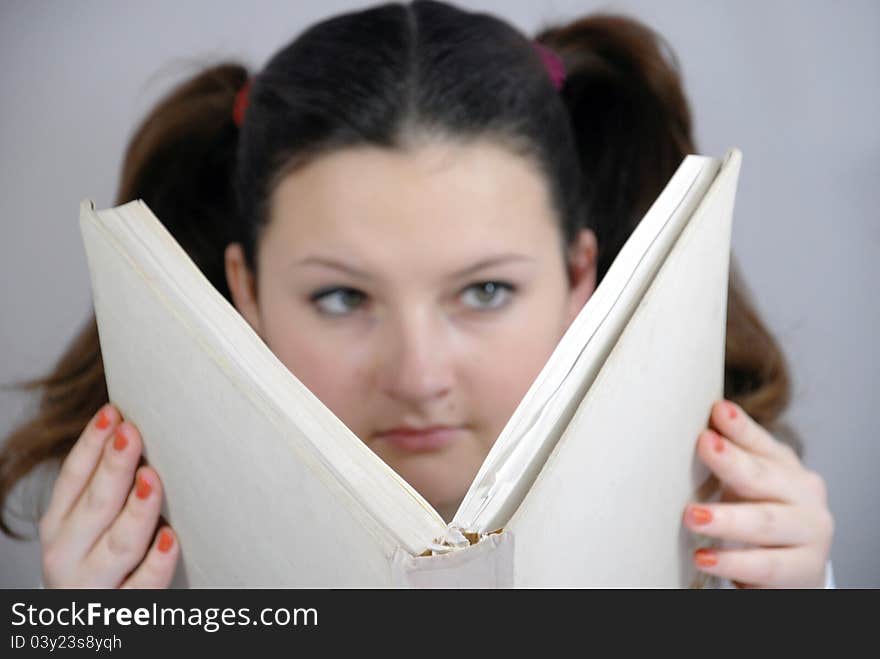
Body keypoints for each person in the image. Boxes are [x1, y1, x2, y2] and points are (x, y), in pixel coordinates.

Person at [0, 0, 833, 588]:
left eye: (486, 290)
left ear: (580, 278)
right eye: (340, 298)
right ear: (246, 292)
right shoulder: (131, 581)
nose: (419, 374)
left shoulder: (737, 553)